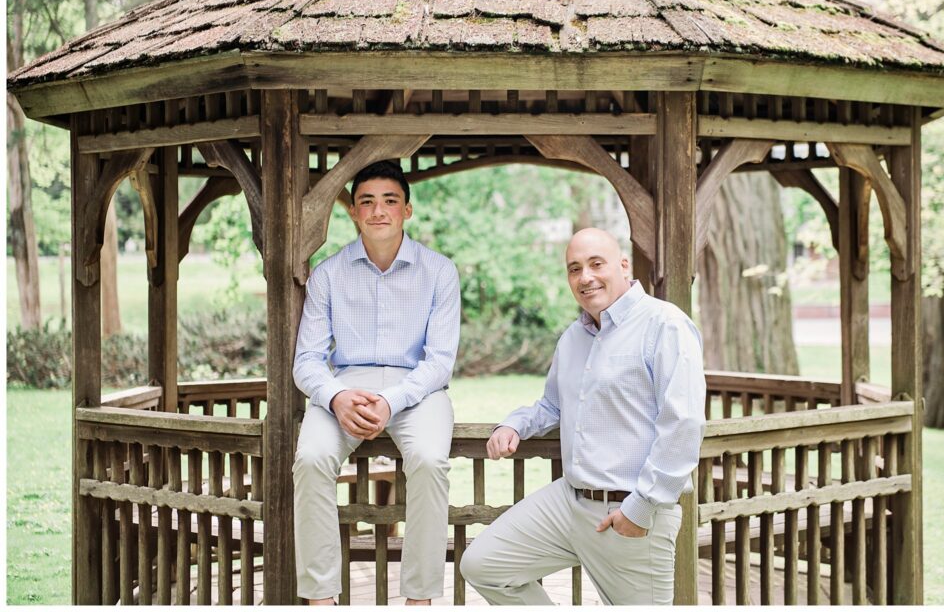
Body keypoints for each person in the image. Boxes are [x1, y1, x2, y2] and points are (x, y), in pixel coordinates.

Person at [460, 228, 706, 605]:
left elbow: (683, 427)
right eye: (574, 269)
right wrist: (515, 424)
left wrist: (638, 511)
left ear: (623, 266)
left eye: (596, 264)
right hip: (568, 503)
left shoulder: (665, 325)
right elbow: (553, 406)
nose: (585, 277)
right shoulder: (573, 338)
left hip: (633, 514)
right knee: (483, 565)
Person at [292, 161, 460, 606]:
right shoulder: (328, 275)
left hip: (419, 390)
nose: (378, 210)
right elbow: (306, 361)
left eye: (389, 201)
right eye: (366, 201)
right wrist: (336, 395)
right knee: (310, 459)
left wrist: (390, 400)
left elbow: (440, 362)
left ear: (406, 210)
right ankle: (320, 598)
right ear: (354, 212)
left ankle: (420, 599)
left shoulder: (440, 271)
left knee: (428, 461)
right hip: (346, 389)